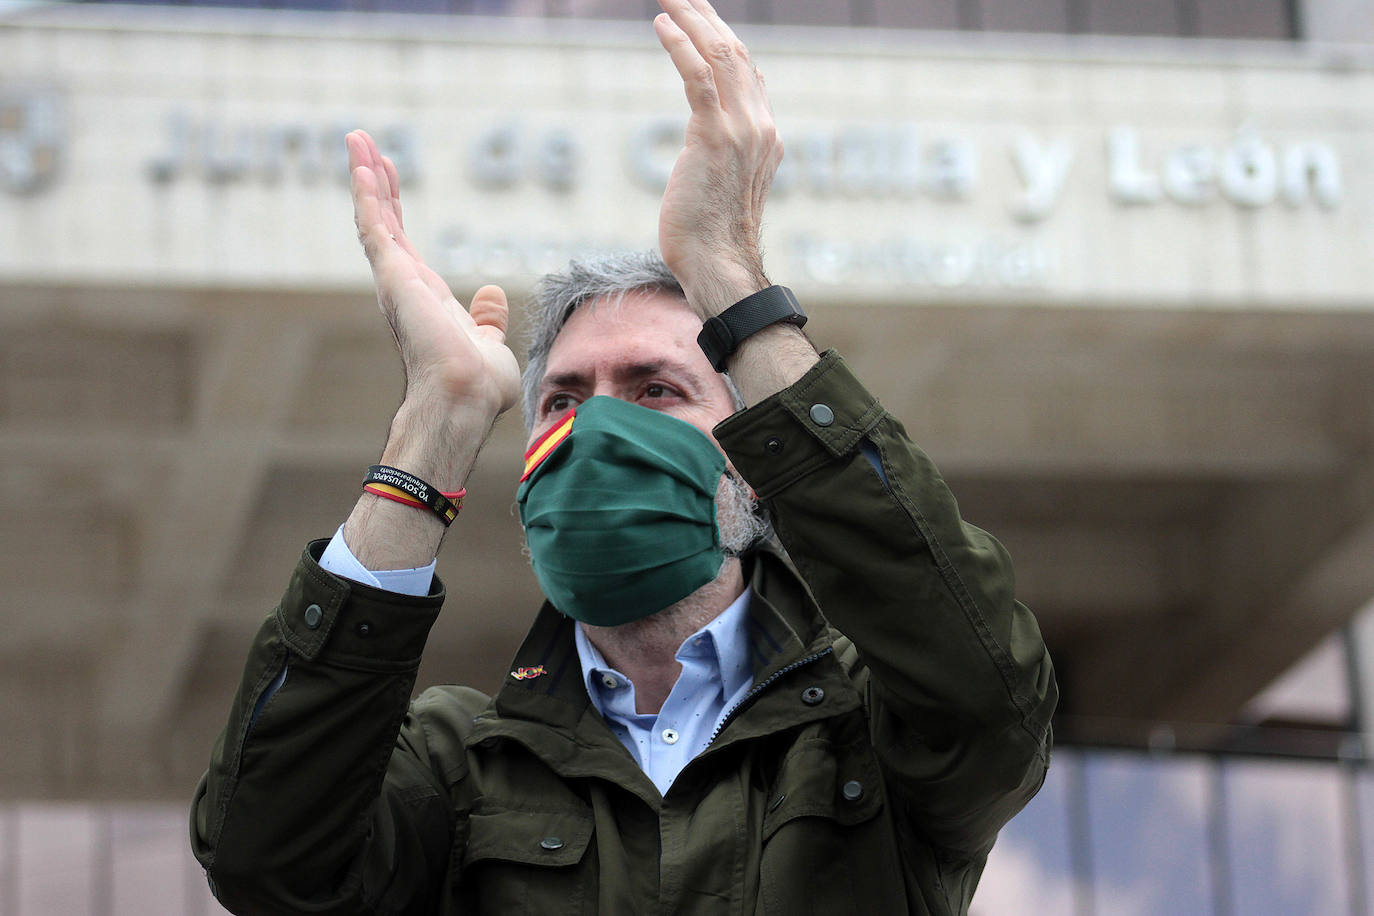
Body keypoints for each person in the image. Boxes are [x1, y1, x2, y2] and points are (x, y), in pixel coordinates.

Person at [190, 1, 1057, 913]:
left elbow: (991, 695)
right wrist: (435, 423)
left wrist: (729, 274)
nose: (599, 434)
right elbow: (266, 861)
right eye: (564, 400)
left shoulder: (868, 727)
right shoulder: (454, 762)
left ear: (755, 458)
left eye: (656, 390)